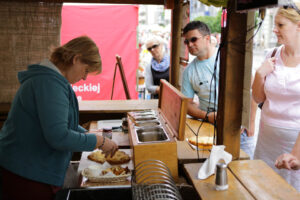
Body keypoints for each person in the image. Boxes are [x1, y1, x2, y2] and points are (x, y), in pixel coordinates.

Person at [0, 36, 118, 200]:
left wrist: (87, 134)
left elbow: (61, 123)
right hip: (26, 173)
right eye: (86, 71)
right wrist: (99, 141)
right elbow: (59, 136)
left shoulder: (51, 80)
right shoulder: (49, 83)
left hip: (28, 168)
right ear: (76, 59)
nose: (84, 78)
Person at [181, 20, 257, 159]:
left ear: (207, 38)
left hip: (238, 129)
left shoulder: (231, 58)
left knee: (242, 167)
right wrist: (207, 116)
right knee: (214, 171)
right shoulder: (189, 71)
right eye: (187, 42)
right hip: (209, 128)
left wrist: (250, 122)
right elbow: (187, 105)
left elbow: (252, 92)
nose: (190, 45)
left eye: (193, 39)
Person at [252, 2, 300, 191]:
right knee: (263, 189)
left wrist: (296, 154)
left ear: (298, 26)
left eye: (280, 25)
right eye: (275, 25)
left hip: (294, 146)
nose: (275, 30)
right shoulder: (271, 55)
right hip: (266, 143)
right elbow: (258, 99)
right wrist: (259, 75)